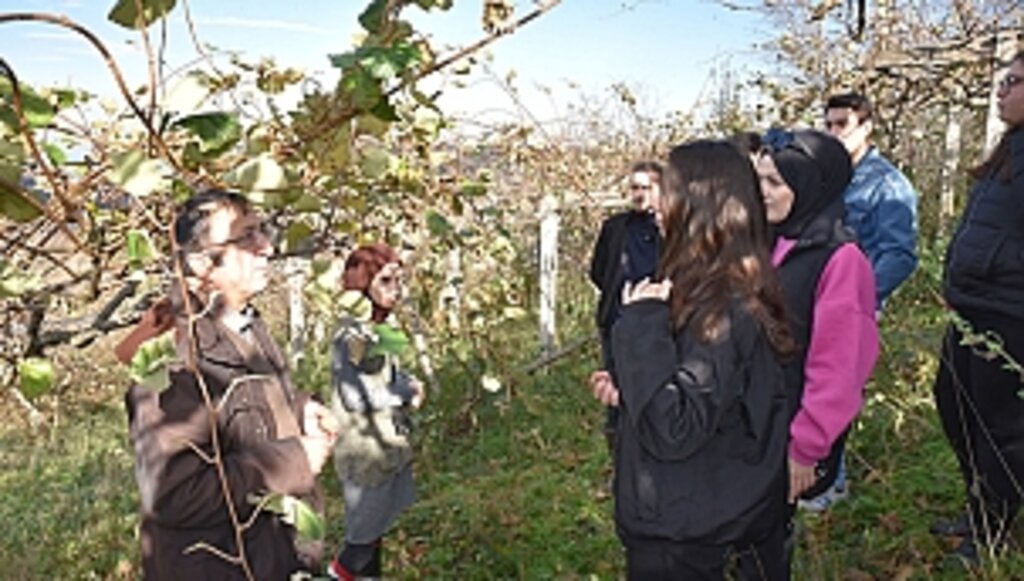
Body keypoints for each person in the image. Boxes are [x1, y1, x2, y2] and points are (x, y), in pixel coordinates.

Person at [591, 141, 795, 579]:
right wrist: (632, 380)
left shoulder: (723, 305)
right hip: (692, 513)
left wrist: (640, 326)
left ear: (706, 203)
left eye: (672, 189)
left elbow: (675, 428)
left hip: (682, 528)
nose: (658, 203)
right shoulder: (719, 285)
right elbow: (711, 400)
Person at [124, 190, 337, 580]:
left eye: (263, 231)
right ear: (201, 263)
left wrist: (300, 407)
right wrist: (295, 461)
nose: (267, 247)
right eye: (246, 237)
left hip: (272, 556)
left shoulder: (244, 322)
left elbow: (245, 404)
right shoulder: (171, 356)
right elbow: (175, 495)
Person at [756, 130, 879, 522]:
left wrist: (807, 446)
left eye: (775, 182)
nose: (762, 192)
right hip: (757, 426)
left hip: (791, 435)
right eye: (759, 179)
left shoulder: (841, 260)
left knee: (768, 540)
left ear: (810, 185)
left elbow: (839, 368)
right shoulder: (773, 241)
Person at [931, 50, 1024, 564]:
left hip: (1010, 317)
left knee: (1002, 427)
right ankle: (979, 507)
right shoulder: (1009, 150)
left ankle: (990, 533)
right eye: (1002, 80)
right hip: (972, 310)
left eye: (1013, 81)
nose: (1001, 90)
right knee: (954, 405)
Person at [817, 92, 919, 510]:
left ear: (866, 127)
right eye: (828, 123)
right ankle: (810, 476)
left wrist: (858, 299)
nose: (834, 132)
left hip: (852, 309)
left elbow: (899, 254)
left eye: (843, 123)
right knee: (811, 388)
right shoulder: (825, 178)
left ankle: (829, 486)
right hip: (814, 303)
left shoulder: (888, 184)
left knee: (837, 391)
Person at [328, 244, 425, 580]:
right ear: (363, 284)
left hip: (388, 448)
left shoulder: (383, 327)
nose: (395, 289)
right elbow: (355, 397)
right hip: (365, 454)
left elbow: (391, 375)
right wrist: (403, 394)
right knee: (359, 545)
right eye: (385, 280)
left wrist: (408, 382)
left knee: (374, 535)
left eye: (398, 280)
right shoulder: (351, 334)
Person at [588, 161, 662, 455]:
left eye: (647, 187)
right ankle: (619, 458)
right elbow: (598, 271)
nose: (640, 194)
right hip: (617, 323)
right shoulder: (616, 228)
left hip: (658, 327)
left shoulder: (669, 228)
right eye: (635, 187)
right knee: (614, 388)